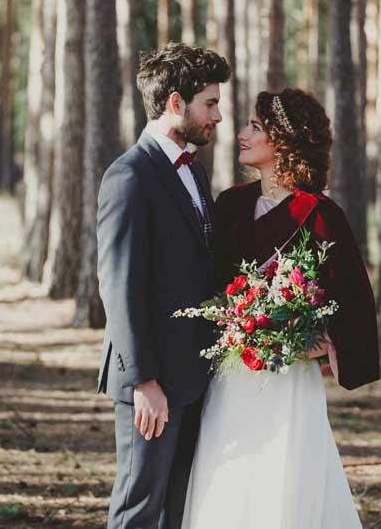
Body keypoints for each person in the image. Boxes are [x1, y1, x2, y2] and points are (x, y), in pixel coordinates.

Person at [180, 87, 380, 529]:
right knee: (227, 473)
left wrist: (313, 341)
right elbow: (207, 282)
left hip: (288, 380)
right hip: (231, 375)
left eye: (255, 127)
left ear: (283, 140)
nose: (242, 134)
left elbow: (354, 304)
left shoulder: (321, 214)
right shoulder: (231, 204)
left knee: (283, 479)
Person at [96, 42, 231, 529]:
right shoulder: (129, 176)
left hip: (193, 378)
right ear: (176, 103)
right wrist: (143, 382)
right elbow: (119, 286)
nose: (218, 115)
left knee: (178, 508)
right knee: (138, 509)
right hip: (151, 384)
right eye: (210, 103)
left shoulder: (192, 168)